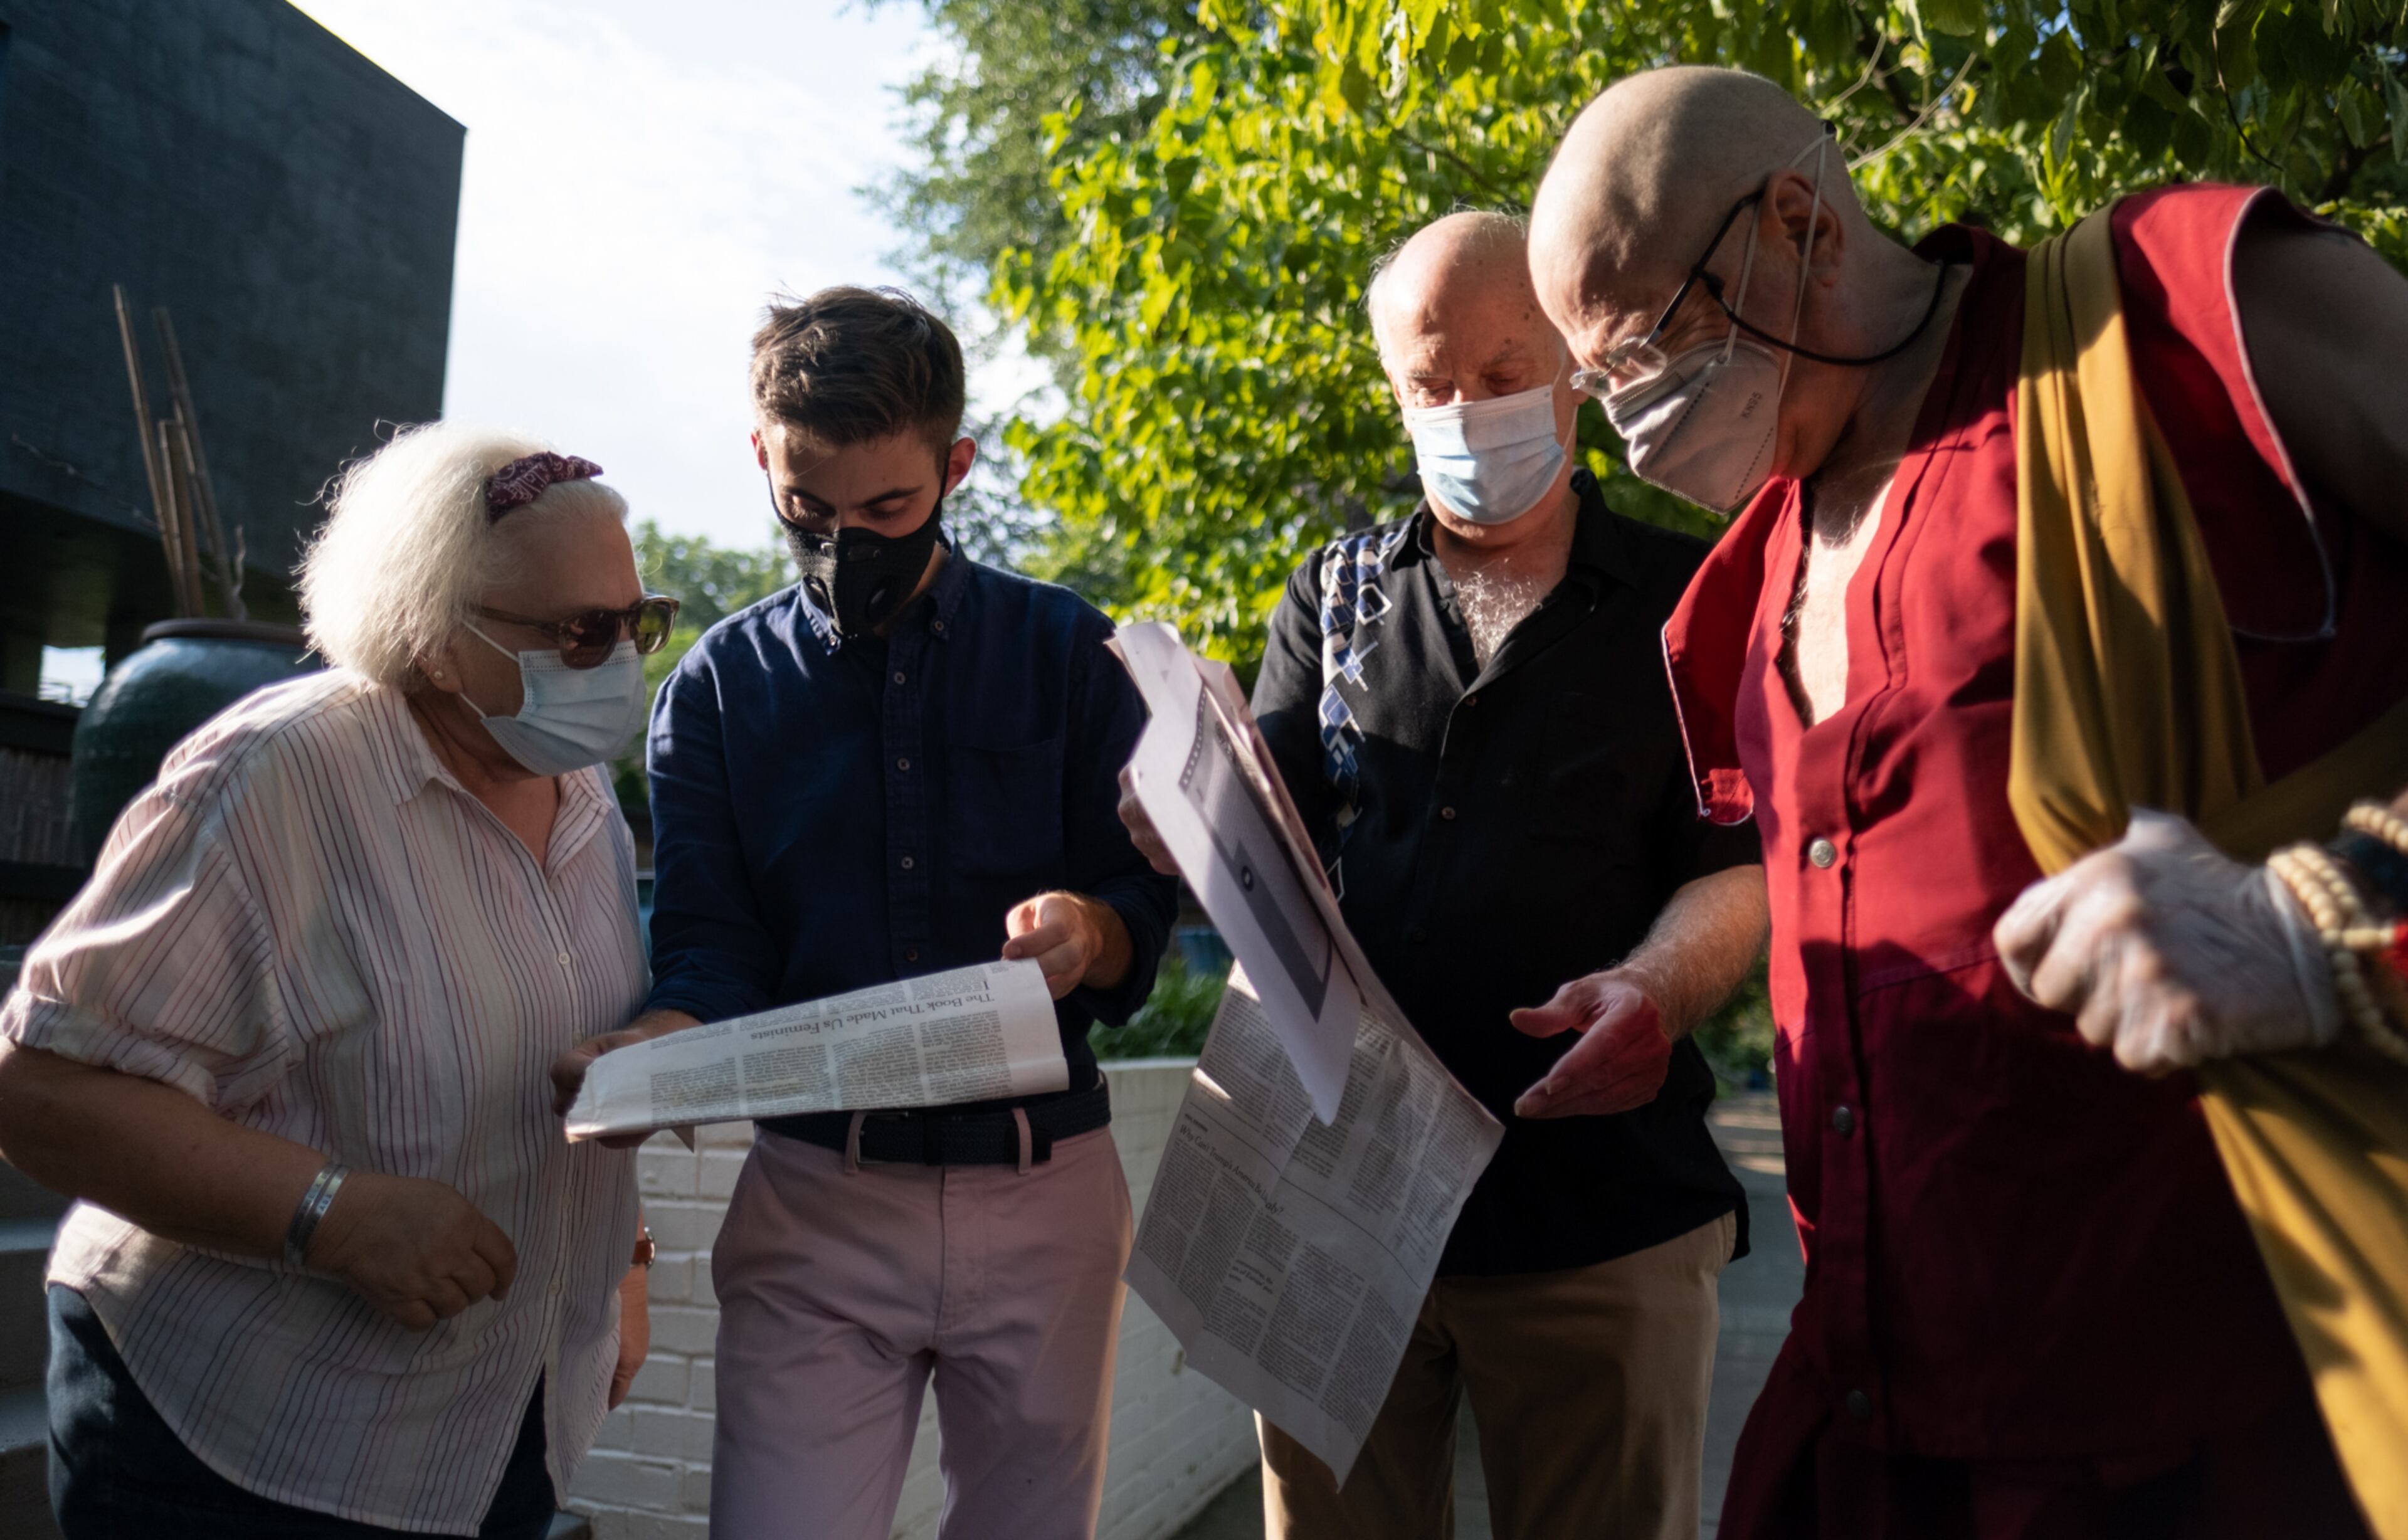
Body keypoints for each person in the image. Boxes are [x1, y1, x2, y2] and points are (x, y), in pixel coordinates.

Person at [1527, 63, 2408, 1539]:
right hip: (1872, 1442)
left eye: (1645, 348)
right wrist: (1664, 988)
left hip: (2237, 1443)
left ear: (1797, 223)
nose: (1627, 421)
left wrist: (2327, 917)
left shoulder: (2178, 324)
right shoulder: (1740, 591)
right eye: (1596, 383)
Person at [1121, 212, 1768, 1540]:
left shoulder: (1694, 596)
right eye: (1432, 385)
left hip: (1598, 1211)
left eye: (1500, 371)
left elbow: (1741, 866)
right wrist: (1180, 825)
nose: (1468, 412)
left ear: (1576, 367)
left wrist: (1656, 988)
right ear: (1393, 390)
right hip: (1331, 1207)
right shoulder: (1333, 595)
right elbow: (1272, 858)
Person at [548, 286, 1178, 1540]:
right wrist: (656, 1042)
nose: (846, 545)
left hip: (1044, 1191)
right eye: (806, 511)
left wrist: (1092, 931)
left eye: (889, 508)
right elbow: (712, 945)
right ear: (762, 460)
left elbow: (1144, 904)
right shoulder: (718, 688)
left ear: (955, 466)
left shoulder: (1071, 652)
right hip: (816, 1203)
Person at [0, 424, 671, 1537]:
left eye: (638, 622)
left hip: (496, 1428)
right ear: (435, 641)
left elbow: (559, 1058)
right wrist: (329, 1213)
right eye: (579, 632)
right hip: (244, 1442)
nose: (621, 661)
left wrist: (620, 1271)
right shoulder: (276, 778)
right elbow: (41, 1090)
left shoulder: (584, 794)